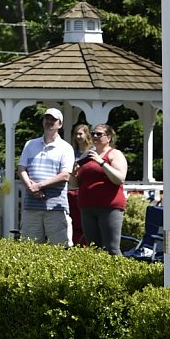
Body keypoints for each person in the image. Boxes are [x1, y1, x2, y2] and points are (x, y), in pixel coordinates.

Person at [17, 107, 74, 246]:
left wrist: (38, 186)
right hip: (31, 206)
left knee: (60, 249)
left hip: (55, 208)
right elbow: (21, 169)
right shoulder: (30, 144)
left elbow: (65, 175)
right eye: (47, 118)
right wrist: (31, 187)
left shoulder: (66, 148)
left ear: (60, 124)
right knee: (29, 249)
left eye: (53, 119)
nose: (49, 122)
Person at [75, 123, 128, 254]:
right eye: (93, 133)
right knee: (93, 249)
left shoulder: (114, 154)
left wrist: (101, 162)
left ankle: (120, 274)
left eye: (99, 134)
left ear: (108, 138)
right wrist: (72, 172)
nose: (95, 136)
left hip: (109, 207)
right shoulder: (87, 155)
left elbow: (119, 178)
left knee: (112, 248)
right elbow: (74, 183)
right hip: (87, 207)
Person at [67, 121, 92, 247]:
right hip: (74, 189)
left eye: (80, 134)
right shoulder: (72, 152)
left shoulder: (92, 152)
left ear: (87, 135)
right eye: (76, 134)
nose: (78, 137)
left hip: (88, 189)